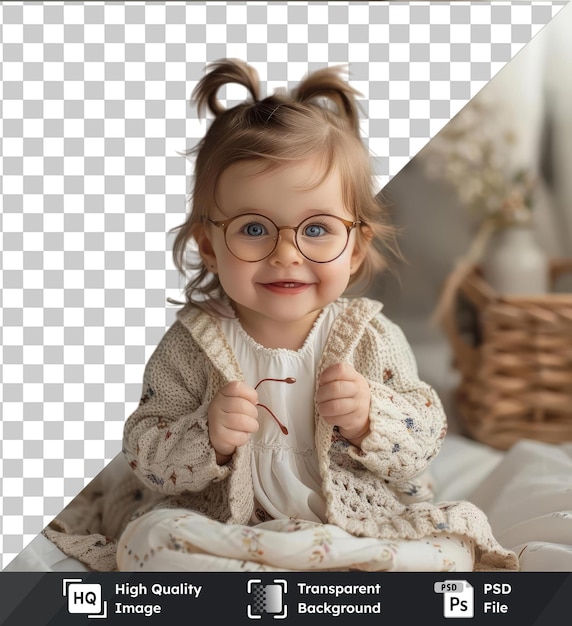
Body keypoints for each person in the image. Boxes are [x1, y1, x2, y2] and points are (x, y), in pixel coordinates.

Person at [116, 59, 518, 572]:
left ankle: (309, 568)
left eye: (317, 229)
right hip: (225, 526)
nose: (287, 254)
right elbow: (145, 448)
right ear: (210, 246)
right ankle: (290, 572)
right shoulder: (192, 344)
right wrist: (207, 437)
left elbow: (425, 437)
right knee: (148, 538)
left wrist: (371, 415)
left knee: (450, 544)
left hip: (351, 524)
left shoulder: (369, 339)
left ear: (354, 248)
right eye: (254, 229)